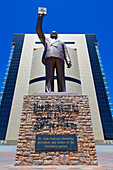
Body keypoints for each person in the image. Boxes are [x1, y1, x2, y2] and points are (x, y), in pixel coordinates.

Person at [36, 14, 72, 92]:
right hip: (49, 57)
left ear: (57, 35)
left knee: (61, 76)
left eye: (55, 33)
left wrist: (68, 61)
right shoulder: (46, 41)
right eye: (52, 33)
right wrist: (40, 17)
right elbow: (39, 30)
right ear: (50, 35)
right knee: (49, 76)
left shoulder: (61, 43)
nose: (53, 33)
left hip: (60, 58)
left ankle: (62, 91)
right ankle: (48, 91)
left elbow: (66, 52)